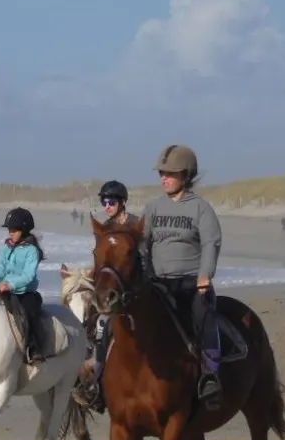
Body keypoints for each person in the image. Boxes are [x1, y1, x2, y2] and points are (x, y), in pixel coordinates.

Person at [143, 144, 224, 410]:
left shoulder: (200, 208)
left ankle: (211, 375)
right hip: (159, 284)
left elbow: (211, 242)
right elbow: (142, 245)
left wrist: (205, 276)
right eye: (161, 174)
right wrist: (145, 274)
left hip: (191, 282)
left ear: (186, 175)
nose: (164, 178)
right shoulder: (153, 208)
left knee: (204, 318)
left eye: (170, 173)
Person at [76, 180, 142, 408]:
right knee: (94, 325)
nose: (107, 206)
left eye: (111, 202)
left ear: (122, 202)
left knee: (107, 325)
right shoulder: (104, 228)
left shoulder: (135, 226)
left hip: (134, 290)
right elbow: (102, 264)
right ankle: (98, 383)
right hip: (111, 289)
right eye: (104, 202)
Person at [0, 207, 47, 362]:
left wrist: (10, 285)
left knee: (28, 313)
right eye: (9, 230)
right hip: (4, 288)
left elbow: (28, 275)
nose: (11, 233)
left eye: (15, 230)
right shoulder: (6, 247)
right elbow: (0, 267)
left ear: (24, 230)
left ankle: (35, 348)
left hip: (24, 292)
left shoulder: (31, 250)